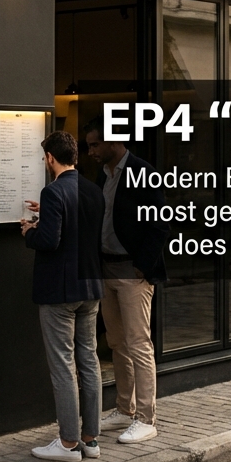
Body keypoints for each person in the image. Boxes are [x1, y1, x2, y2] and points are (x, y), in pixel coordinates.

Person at [21, 130, 105, 462]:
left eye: (45, 158)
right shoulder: (93, 190)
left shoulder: (54, 191)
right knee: (90, 361)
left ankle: (68, 443)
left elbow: (49, 241)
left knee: (63, 365)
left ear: (51, 158)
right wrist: (49, 213)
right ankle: (91, 440)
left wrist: (30, 232)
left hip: (60, 292)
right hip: (90, 288)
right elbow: (81, 228)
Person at [84, 118, 168, 444]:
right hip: (107, 269)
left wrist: (142, 267)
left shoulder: (142, 172)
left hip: (132, 273)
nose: (91, 152)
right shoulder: (103, 175)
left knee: (138, 344)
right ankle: (124, 409)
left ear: (113, 141)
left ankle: (147, 418)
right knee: (117, 343)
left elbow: (160, 224)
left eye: (95, 145)